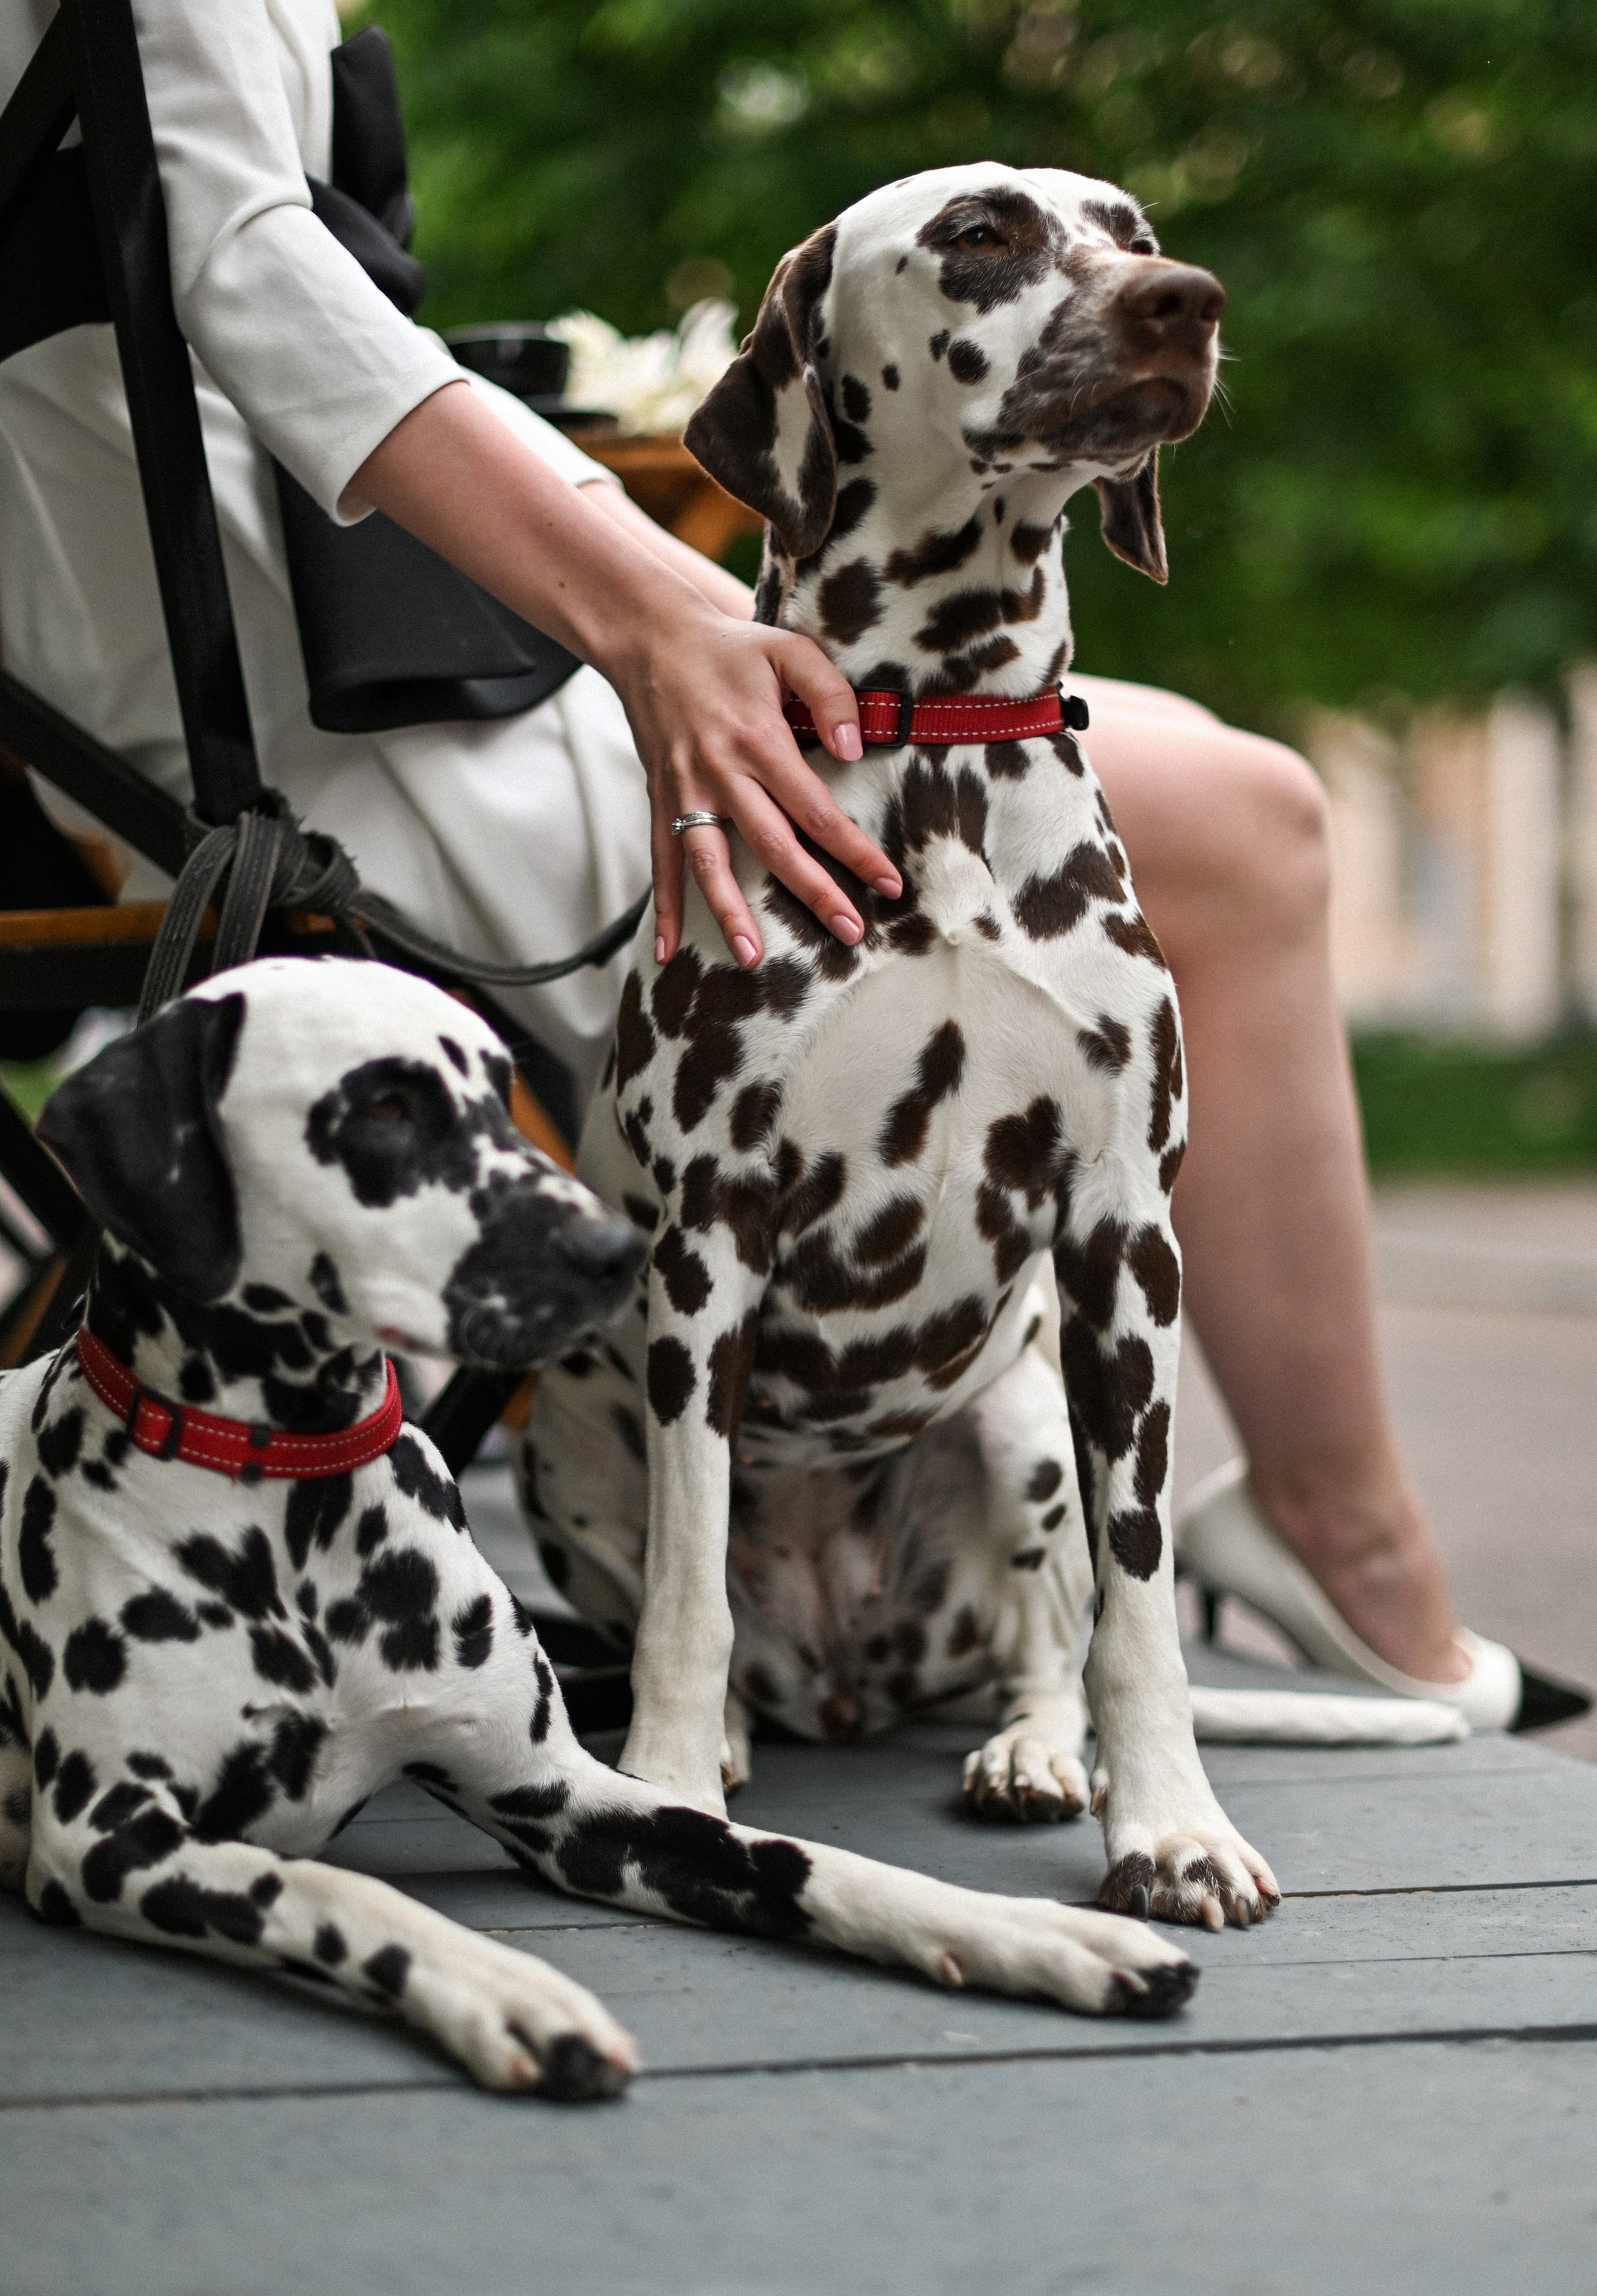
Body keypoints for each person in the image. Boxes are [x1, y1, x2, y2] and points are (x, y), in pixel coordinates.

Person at [0, 0, 1564, 1728]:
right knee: (1240, 813)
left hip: (195, 697)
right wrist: (656, 608)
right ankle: (1343, 1544)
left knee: (1190, 784)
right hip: (339, 751)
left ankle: (1276, 1538)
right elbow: (235, 252)